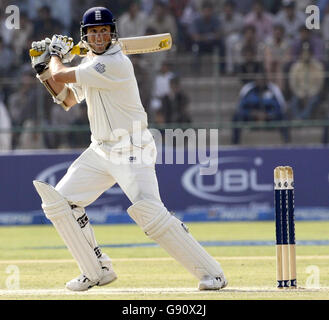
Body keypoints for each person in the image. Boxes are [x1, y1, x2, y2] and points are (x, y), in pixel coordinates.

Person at [30, 6, 227, 292]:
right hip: (100, 150)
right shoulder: (90, 64)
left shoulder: (115, 63)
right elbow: (67, 99)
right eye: (94, 32)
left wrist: (56, 57)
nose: (99, 37)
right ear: (86, 35)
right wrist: (42, 70)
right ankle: (97, 270)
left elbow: (61, 76)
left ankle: (213, 273)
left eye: (104, 31)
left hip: (132, 147)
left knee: (151, 214)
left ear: (112, 34)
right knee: (60, 204)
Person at [232, 69, 290, 144]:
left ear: (266, 79)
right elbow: (240, 107)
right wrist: (252, 113)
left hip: (269, 118)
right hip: (251, 118)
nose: (260, 81)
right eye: (258, 79)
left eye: (262, 79)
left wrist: (269, 114)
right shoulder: (248, 89)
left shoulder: (274, 89)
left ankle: (287, 143)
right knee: (236, 117)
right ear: (255, 79)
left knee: (284, 117)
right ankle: (235, 143)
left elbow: (281, 107)